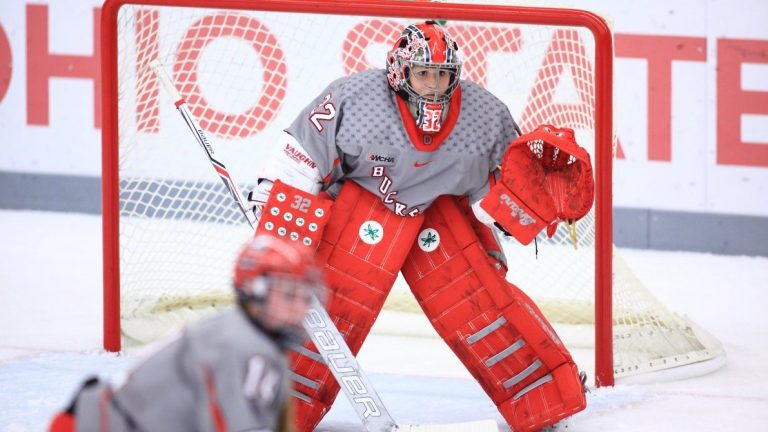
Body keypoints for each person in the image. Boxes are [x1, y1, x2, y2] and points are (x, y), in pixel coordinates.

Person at [249, 21, 590, 432]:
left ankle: (547, 398)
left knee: (484, 306)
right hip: (361, 207)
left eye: (442, 75)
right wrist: (276, 210)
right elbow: (299, 157)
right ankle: (274, 405)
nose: (433, 85)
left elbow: (494, 203)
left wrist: (530, 205)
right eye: (423, 73)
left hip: (441, 214)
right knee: (325, 303)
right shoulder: (353, 98)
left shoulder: (486, 116)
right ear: (399, 71)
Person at [49, 235, 326, 432]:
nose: (298, 308)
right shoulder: (237, 344)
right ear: (254, 292)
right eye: (288, 295)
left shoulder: (259, 344)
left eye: (305, 297)